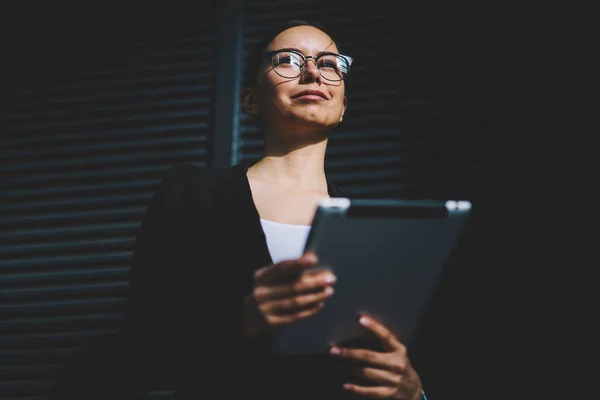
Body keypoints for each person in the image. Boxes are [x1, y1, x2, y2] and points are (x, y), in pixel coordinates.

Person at [50, 20, 426, 400]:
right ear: (250, 99)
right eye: (288, 60)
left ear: (343, 105)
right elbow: (142, 341)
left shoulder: (369, 226)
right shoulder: (192, 193)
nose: (312, 71)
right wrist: (241, 319)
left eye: (329, 63)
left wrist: (413, 391)